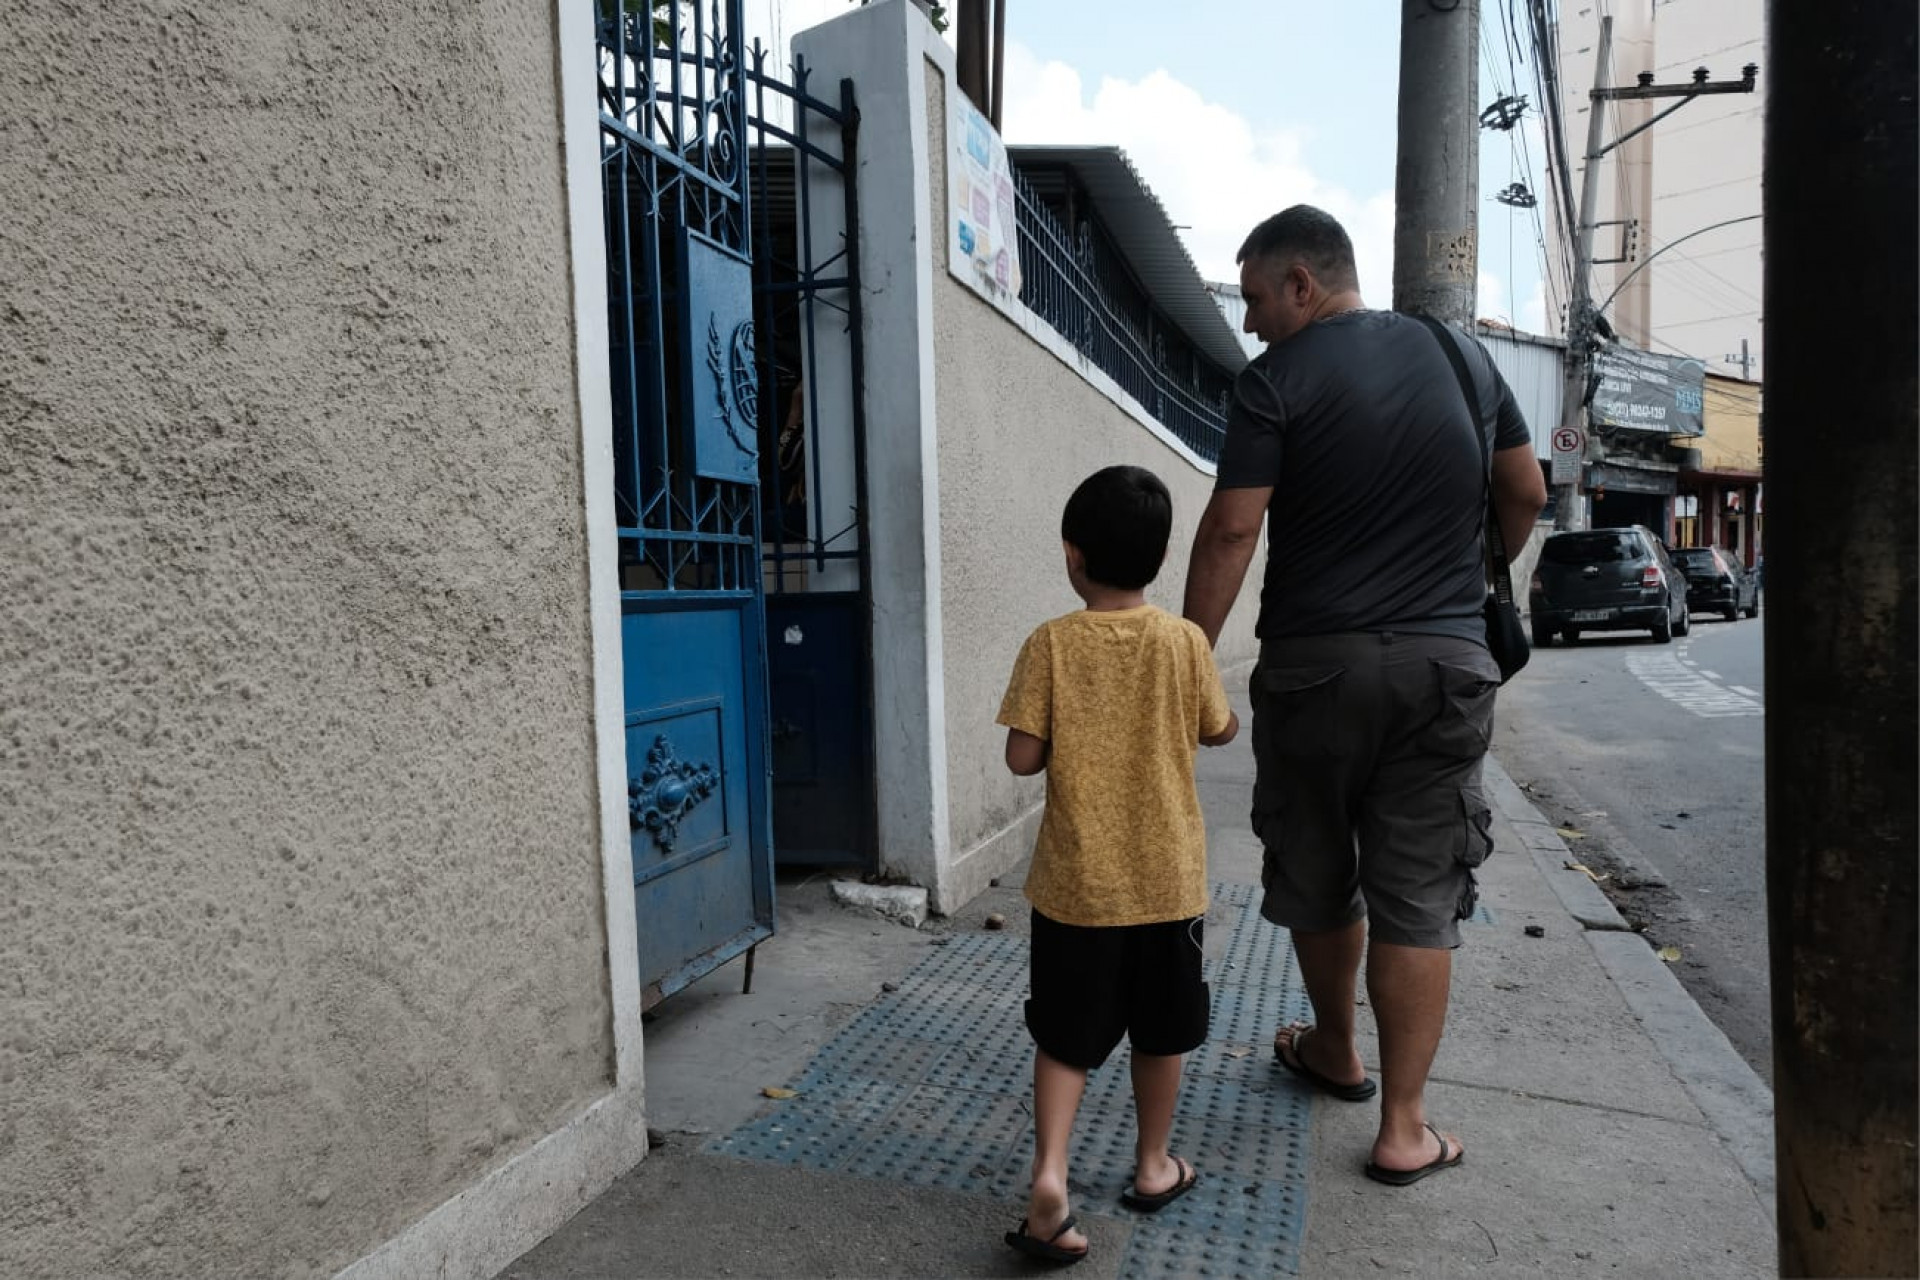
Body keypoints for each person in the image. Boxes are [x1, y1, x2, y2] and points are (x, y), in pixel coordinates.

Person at [1182, 206, 1547, 1186]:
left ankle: (1336, 1048)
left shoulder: (1275, 382)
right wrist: (1470, 580)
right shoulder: (1463, 360)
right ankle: (1404, 1126)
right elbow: (1526, 492)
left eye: (1258, 297)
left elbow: (1230, 530)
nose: (1252, 322)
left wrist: (1185, 661)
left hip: (1313, 667)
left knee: (1315, 864)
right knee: (1418, 890)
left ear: (1304, 281)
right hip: (1444, 666)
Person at [996, 464, 1239, 1264]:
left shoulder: (1051, 643)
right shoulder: (1184, 643)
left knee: (1065, 1035)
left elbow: (1022, 759)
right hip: (1168, 882)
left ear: (1074, 555)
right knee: (1159, 1031)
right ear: (1161, 558)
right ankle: (1152, 1165)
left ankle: (1052, 1175)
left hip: (1075, 888)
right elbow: (1219, 728)